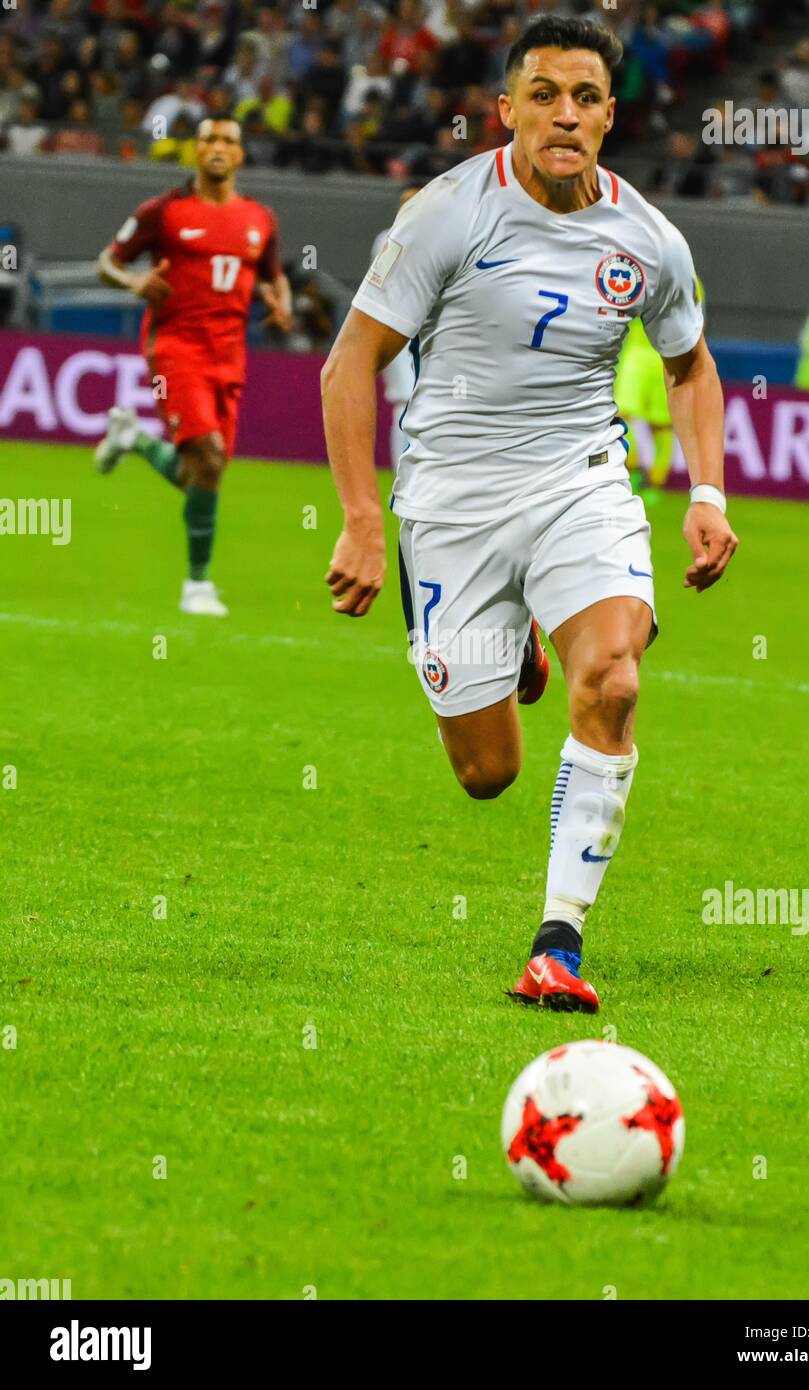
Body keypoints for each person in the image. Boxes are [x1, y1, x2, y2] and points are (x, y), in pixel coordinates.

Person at [320, 16, 737, 1013]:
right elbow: (348, 364)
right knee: (487, 773)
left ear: (608, 113)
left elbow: (689, 368)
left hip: (578, 481)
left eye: (584, 96)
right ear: (505, 110)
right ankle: (511, 652)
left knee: (616, 676)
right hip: (451, 503)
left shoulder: (647, 240)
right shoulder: (444, 214)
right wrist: (360, 519)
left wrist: (707, 494)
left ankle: (558, 942)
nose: (564, 114)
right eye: (543, 94)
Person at [93, 116, 293, 615]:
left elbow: (273, 276)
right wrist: (133, 283)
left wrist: (281, 301)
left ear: (241, 155)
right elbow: (107, 262)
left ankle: (132, 440)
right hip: (174, 350)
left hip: (229, 358)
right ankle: (197, 586)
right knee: (206, 454)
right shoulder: (164, 212)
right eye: (209, 140)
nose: (218, 148)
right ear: (195, 152)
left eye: (228, 141)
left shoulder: (260, 219)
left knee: (203, 472)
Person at [615, 274, 706, 504]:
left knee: (661, 425)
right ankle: (635, 469)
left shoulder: (689, 278)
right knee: (622, 414)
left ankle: (654, 482)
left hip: (665, 357)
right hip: (638, 355)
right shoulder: (639, 271)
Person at [369, 180, 426, 468]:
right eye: (405, 203)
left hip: (428, 337)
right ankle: (401, 477)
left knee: (425, 408)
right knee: (405, 404)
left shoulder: (439, 240)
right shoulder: (387, 239)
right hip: (398, 335)